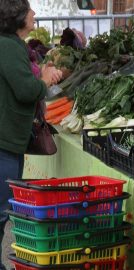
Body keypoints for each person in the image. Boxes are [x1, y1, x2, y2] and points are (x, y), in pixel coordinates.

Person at [0, 0, 62, 268]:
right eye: (29, 10)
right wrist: (45, 81)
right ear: (17, 17)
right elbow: (26, 90)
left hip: (9, 140)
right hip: (4, 142)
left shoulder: (12, 45)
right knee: (1, 212)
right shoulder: (7, 46)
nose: (34, 13)